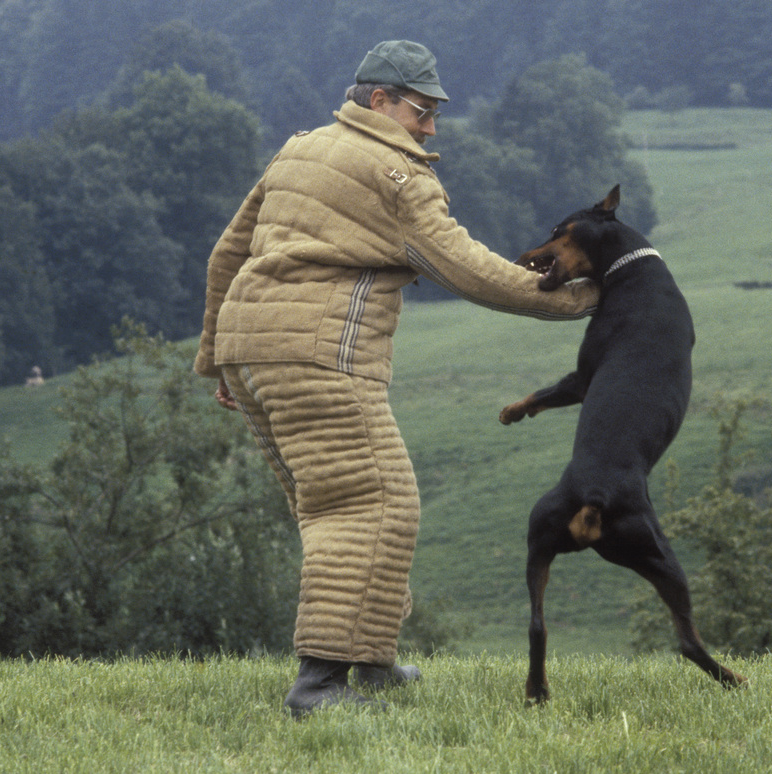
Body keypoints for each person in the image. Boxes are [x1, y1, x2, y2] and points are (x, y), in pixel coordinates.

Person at [193, 40, 598, 717]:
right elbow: (467, 267)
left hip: (254, 348)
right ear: (378, 99)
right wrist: (587, 297)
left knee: (344, 505)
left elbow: (227, 254)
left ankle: (372, 663)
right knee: (368, 505)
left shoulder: (300, 149)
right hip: (320, 354)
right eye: (422, 110)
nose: (431, 127)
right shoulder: (393, 175)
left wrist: (218, 356)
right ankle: (319, 686)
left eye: (435, 112)